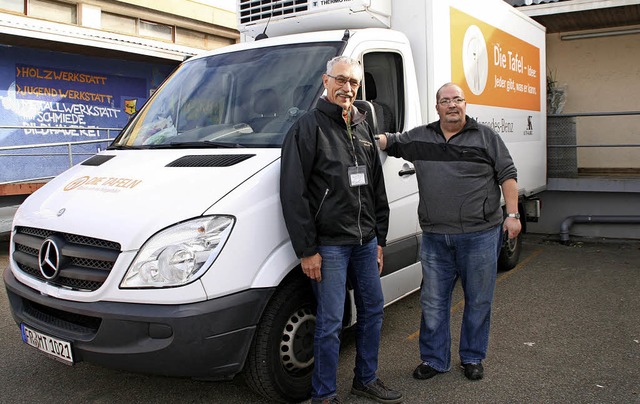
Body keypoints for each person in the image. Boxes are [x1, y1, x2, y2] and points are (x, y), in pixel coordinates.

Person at [377, 82, 521, 381]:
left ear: (465, 104)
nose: (452, 105)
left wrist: (513, 215)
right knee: (432, 301)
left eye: (457, 100)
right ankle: (434, 359)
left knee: (478, 300)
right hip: (435, 238)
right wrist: (357, 131)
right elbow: (388, 141)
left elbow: (507, 175)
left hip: (479, 235)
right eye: (445, 101)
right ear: (437, 107)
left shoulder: (485, 137)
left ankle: (472, 357)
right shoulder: (421, 137)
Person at [280, 56, 403, 404]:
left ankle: (365, 379)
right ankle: (324, 394)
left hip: (365, 242)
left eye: (353, 82)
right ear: (325, 80)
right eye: (341, 80)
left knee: (373, 311)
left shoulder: (363, 126)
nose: (346, 88)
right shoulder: (307, 128)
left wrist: (379, 238)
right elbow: (293, 193)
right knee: (331, 323)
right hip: (330, 245)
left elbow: (377, 188)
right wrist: (307, 250)